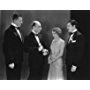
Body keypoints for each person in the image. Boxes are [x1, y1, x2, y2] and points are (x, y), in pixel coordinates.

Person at [3, 14, 23, 80]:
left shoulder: (18, 30)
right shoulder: (8, 31)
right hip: (12, 62)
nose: (21, 22)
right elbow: (7, 48)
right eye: (20, 21)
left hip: (18, 61)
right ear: (15, 20)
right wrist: (10, 62)